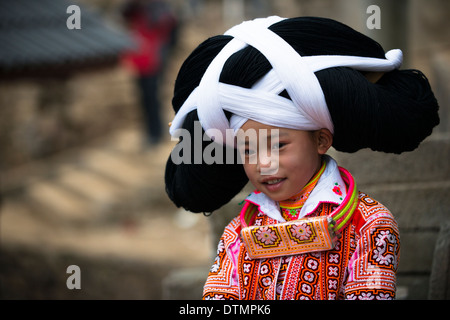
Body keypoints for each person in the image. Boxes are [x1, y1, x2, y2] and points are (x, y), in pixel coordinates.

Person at [164, 16, 440, 300]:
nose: (264, 164)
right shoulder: (238, 233)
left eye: (279, 145)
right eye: (248, 150)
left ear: (321, 140)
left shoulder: (368, 224)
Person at [121, 0, 178, 146]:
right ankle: (151, 131)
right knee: (144, 97)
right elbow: (124, 14)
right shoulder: (134, 8)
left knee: (152, 96)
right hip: (140, 58)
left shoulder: (157, 8)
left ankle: (155, 133)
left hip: (154, 58)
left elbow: (168, 28)